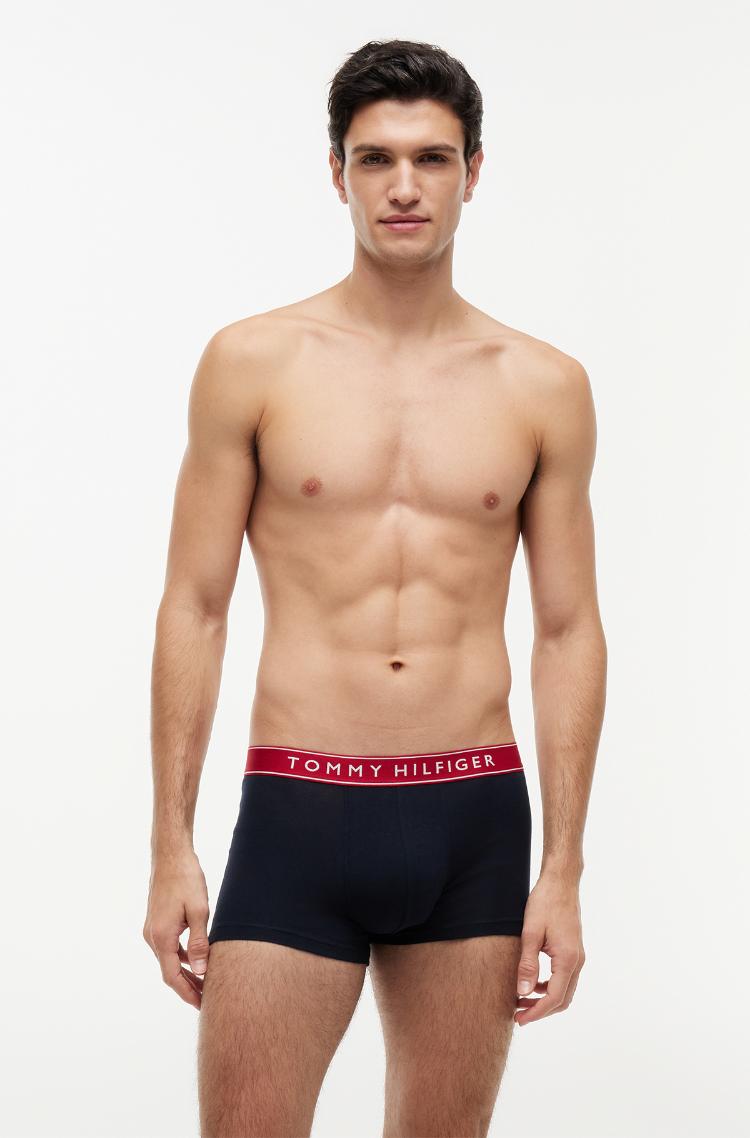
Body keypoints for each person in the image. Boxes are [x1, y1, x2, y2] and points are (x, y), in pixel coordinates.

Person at [143, 37, 607, 1138]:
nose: (405, 186)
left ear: (473, 172)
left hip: (473, 818)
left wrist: (564, 869)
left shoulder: (543, 384)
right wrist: (170, 843)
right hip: (298, 810)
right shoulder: (253, 363)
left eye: (432, 158)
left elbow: (567, 628)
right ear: (337, 172)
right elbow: (195, 606)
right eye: (376, 159)